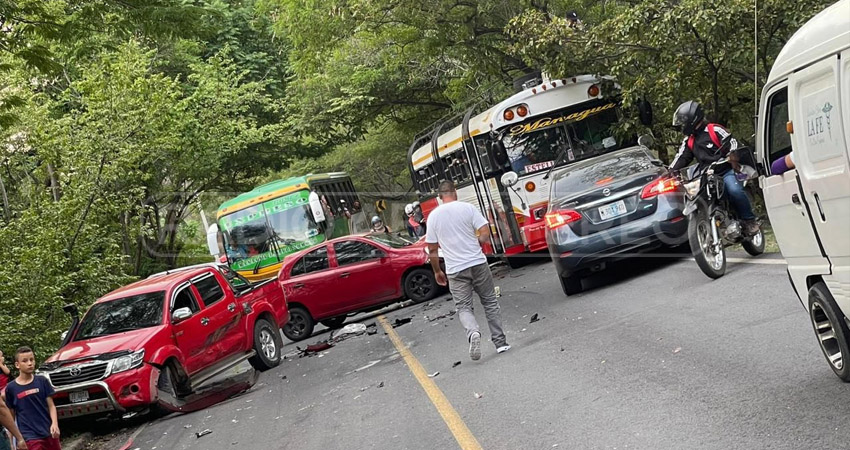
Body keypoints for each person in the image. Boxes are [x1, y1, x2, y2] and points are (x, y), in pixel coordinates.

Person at [426, 180, 509, 360]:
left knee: (463, 307)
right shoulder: (468, 208)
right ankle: (500, 343)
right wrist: (477, 242)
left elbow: (432, 249)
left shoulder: (433, 216)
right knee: (489, 301)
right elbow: (485, 233)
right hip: (478, 263)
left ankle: (473, 333)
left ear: (440, 197)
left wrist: (437, 271)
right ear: (455, 192)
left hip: (455, 269)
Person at [670, 100, 759, 234]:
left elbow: (732, 142)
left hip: (725, 171)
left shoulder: (714, 130)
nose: (682, 127)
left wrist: (731, 154)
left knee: (734, 190)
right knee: (695, 197)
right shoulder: (689, 140)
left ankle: (749, 220)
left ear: (692, 120)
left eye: (683, 123)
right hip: (706, 176)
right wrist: (670, 170)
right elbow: (681, 157)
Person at [4, 347, 59, 450]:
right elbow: (11, 417)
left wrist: (54, 424)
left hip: (48, 432)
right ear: (17, 365)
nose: (30, 363)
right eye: (25, 361)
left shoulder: (42, 381)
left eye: (32, 359)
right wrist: (13, 440)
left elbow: (51, 406)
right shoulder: (11, 388)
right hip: (29, 436)